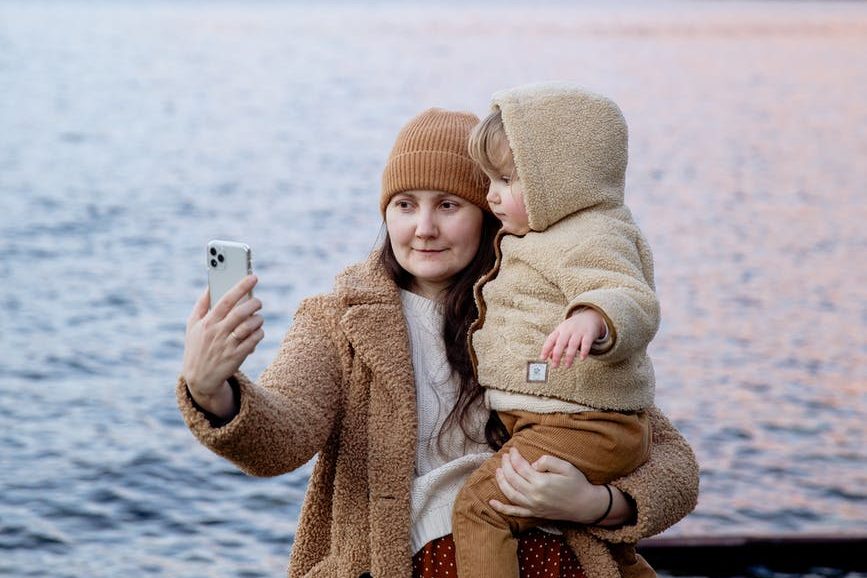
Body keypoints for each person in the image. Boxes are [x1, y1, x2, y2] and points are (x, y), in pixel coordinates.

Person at [177, 107, 699, 578]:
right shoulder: (338, 320)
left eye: (448, 205)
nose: (424, 228)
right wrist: (212, 390)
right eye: (405, 205)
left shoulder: (545, 304)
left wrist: (597, 504)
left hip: (560, 562)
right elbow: (281, 439)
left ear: (487, 211)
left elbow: (669, 459)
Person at [451, 83, 663, 577]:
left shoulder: (593, 233)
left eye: (506, 180)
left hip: (587, 426)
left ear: (561, 179)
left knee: (480, 510)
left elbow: (630, 297)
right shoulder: (540, 235)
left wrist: (593, 318)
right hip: (560, 421)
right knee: (598, 547)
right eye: (488, 180)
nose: (491, 196)